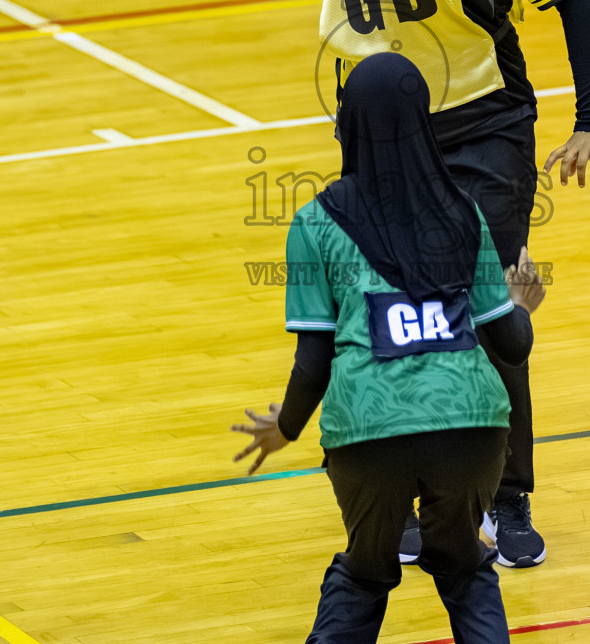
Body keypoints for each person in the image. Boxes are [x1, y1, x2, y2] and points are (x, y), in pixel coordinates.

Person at [266, 0, 590, 566]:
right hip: (385, 144)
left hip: (484, 129)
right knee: (400, 310)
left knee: (484, 309)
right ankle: (432, 489)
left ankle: (510, 498)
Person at [232, 52, 546, 644]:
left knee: (364, 573)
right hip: (472, 427)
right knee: (466, 567)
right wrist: (523, 309)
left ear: (346, 124)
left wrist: (288, 426)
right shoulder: (463, 212)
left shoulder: (315, 221)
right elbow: (508, 344)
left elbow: (313, 361)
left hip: (368, 433)